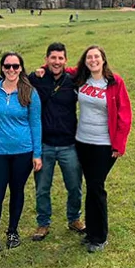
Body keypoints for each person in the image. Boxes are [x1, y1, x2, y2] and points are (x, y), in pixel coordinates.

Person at [74, 45, 132, 253]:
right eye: (89, 57)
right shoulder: (81, 78)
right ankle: (91, 230)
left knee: (96, 187)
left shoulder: (114, 82)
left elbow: (125, 115)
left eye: (96, 57)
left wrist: (119, 145)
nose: (93, 60)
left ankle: (99, 237)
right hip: (82, 141)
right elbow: (59, 67)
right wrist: (43, 68)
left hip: (103, 144)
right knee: (91, 185)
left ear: (103, 60)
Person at [0, 52, 42, 253]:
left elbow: (36, 123)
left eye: (15, 66)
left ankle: (12, 231)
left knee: (17, 192)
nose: (11, 70)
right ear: (1, 68)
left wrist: (37, 153)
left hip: (23, 152)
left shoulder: (29, 92)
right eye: (7, 66)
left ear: (21, 68)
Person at [28, 43, 85, 241]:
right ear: (46, 59)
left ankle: (74, 218)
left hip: (70, 143)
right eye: (53, 58)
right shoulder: (36, 78)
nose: (57, 62)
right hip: (44, 144)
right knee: (42, 187)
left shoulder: (74, 81)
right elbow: (13, 81)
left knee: (74, 186)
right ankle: (43, 223)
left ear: (65, 61)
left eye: (60, 58)